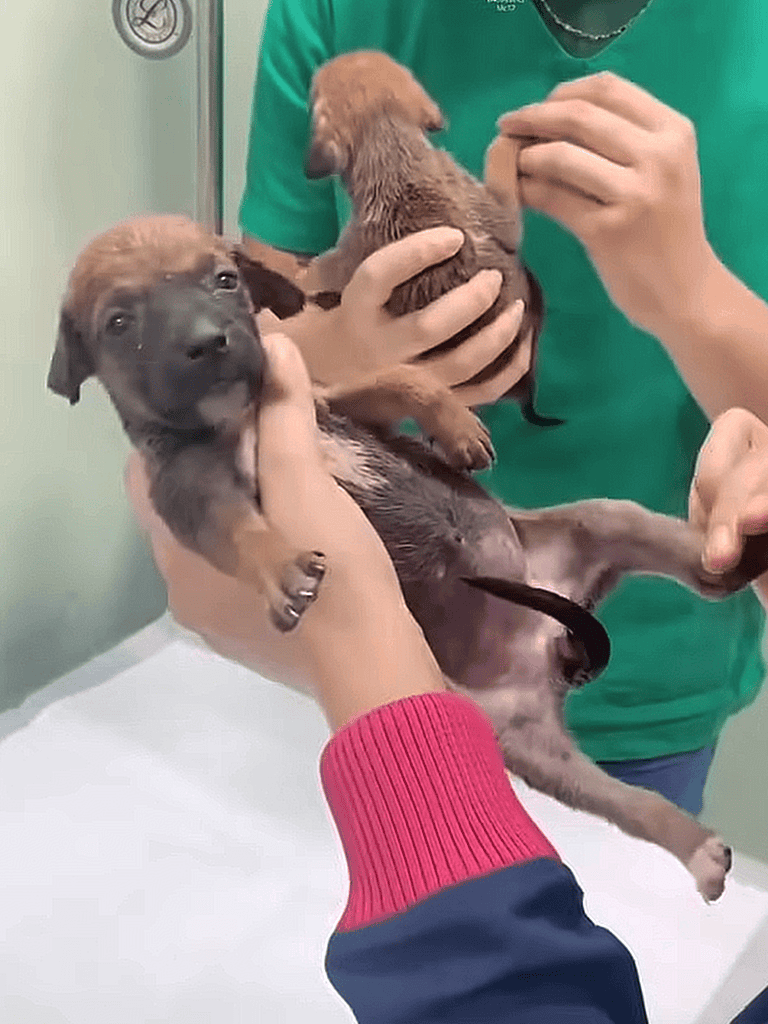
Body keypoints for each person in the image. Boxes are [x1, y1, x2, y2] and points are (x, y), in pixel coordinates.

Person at [125, 331, 768, 1023]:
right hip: (492, 624)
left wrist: (349, 638)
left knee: (601, 535)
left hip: (506, 588)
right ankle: (683, 828)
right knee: (571, 747)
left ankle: (705, 587)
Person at [233, 0, 768, 817]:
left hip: (642, 673)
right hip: (376, 649)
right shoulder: (334, 13)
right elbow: (251, 338)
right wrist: (343, 351)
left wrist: (688, 293)